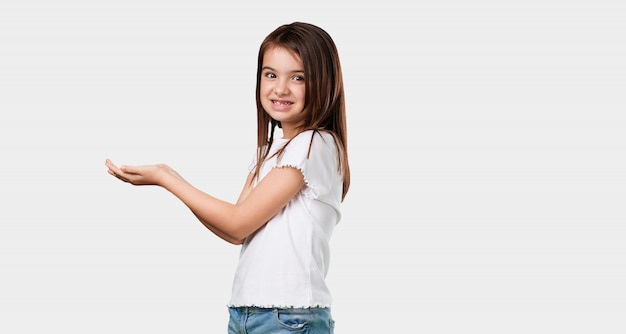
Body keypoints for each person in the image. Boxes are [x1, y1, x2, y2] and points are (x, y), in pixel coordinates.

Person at [105, 21, 350, 334]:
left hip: (288, 318)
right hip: (249, 315)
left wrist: (166, 178)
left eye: (298, 77)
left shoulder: (314, 145)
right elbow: (235, 231)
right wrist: (170, 176)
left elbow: (237, 221)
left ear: (324, 83)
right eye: (271, 74)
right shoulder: (270, 151)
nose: (280, 88)